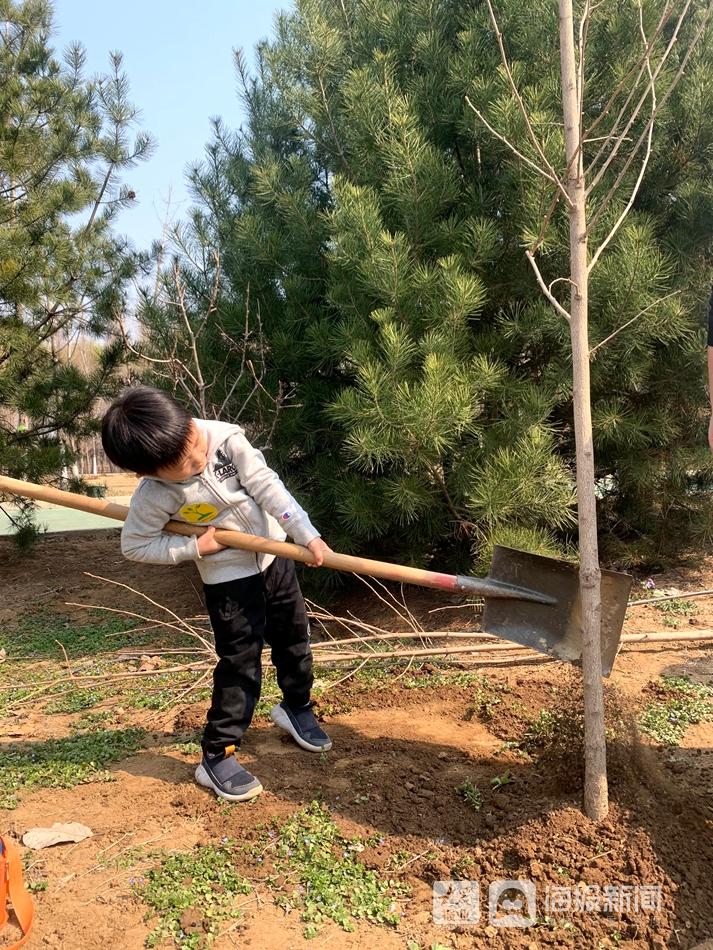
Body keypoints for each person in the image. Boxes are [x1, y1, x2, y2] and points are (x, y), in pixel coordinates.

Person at [101, 386, 332, 802]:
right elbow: (135, 545)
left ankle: (296, 707)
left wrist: (305, 533)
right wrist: (195, 548)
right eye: (184, 464)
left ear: (189, 421)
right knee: (240, 663)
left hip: (275, 558)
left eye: (193, 443)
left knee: (295, 640)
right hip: (228, 581)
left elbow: (268, 487)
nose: (199, 459)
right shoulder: (153, 495)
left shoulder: (225, 441)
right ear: (147, 472)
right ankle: (217, 753)